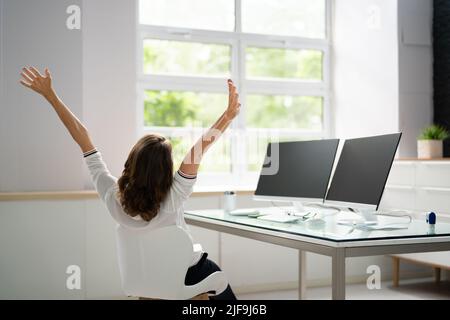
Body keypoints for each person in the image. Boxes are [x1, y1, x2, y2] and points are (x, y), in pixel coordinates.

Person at [19, 66, 240, 300]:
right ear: (166, 171)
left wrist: (50, 96)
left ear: (131, 161)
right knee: (215, 273)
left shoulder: (112, 195)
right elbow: (199, 149)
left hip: (146, 280)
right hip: (185, 276)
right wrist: (227, 116)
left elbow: (82, 137)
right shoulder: (174, 195)